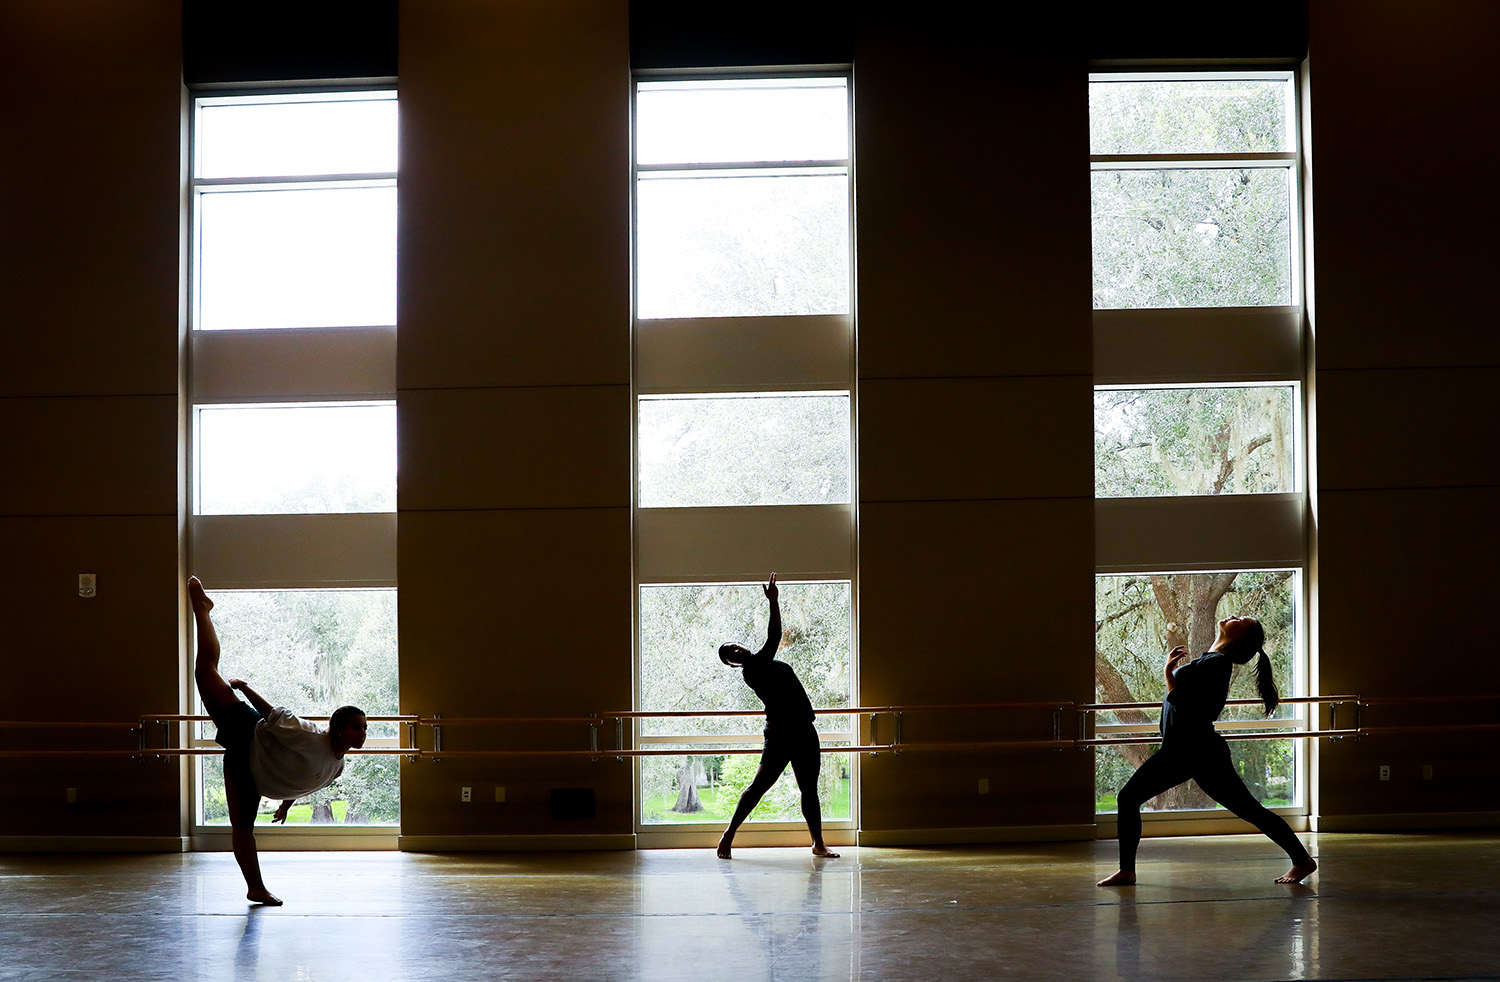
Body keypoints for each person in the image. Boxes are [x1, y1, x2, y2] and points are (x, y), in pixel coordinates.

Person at [1097, 615, 1317, 887]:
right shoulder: (1210, 659)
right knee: (1250, 809)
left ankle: (1127, 871)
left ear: (1240, 636)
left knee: (1128, 797)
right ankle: (1301, 860)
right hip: (1188, 749)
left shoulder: (1219, 663)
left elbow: (1201, 711)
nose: (1233, 616)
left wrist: (1169, 676)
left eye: (1240, 619)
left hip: (1192, 749)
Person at [189, 576, 368, 905]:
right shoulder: (311, 734)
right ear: (340, 728)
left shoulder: (336, 766)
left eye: (364, 728)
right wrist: (244, 688)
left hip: (254, 769)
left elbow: (306, 779)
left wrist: (287, 802)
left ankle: (255, 888)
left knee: (243, 827)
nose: (363, 733)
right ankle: (202, 610)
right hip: (248, 732)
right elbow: (274, 715)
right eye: (358, 727)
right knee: (204, 669)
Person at [715, 573, 839, 860]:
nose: (735, 650)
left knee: (809, 789)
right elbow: (774, 637)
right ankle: (728, 834)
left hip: (804, 731)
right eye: (730, 654)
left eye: (734, 646)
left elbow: (771, 647)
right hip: (781, 735)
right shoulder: (753, 670)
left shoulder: (769, 662)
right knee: (759, 786)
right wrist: (774, 601)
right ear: (734, 665)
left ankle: (818, 844)